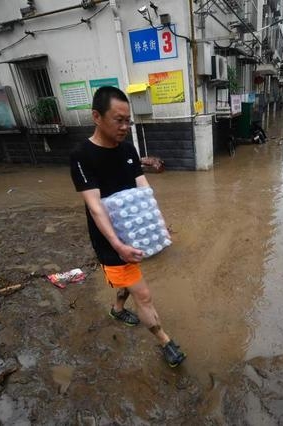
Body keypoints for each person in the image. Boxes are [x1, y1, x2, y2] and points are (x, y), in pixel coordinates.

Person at [69, 86, 186, 368]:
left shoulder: (129, 149)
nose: (124, 127)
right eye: (118, 120)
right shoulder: (82, 155)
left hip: (137, 231)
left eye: (128, 121)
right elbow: (95, 207)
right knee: (143, 294)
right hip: (110, 242)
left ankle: (117, 309)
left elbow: (144, 190)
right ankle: (165, 342)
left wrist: (158, 225)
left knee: (128, 281)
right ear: (97, 116)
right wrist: (118, 245)